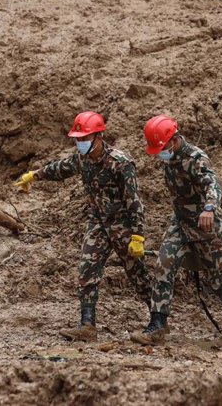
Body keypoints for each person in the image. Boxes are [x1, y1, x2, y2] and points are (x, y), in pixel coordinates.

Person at [14, 111, 151, 341]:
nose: (80, 143)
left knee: (139, 276)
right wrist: (34, 176)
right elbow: (60, 169)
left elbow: (134, 201)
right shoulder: (82, 159)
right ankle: (87, 326)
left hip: (122, 226)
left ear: (99, 136)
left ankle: (159, 322)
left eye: (84, 139)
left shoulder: (120, 163)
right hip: (98, 224)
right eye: (77, 139)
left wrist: (138, 235)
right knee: (87, 272)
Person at [130, 115, 222, 347]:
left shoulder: (196, 158)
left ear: (174, 140)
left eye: (162, 148)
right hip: (181, 224)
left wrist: (209, 208)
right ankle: (157, 324)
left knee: (217, 280)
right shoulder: (169, 157)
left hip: (207, 227)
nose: (159, 153)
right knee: (163, 265)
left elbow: (212, 184)